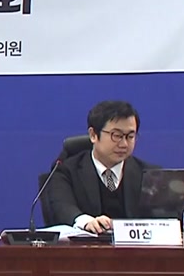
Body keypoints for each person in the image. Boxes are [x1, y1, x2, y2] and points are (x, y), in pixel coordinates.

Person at [43, 100, 157, 233]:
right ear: (93, 135)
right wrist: (86, 221)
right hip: (86, 245)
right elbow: (62, 207)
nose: (124, 144)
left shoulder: (149, 175)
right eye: (117, 136)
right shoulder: (66, 171)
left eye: (130, 136)